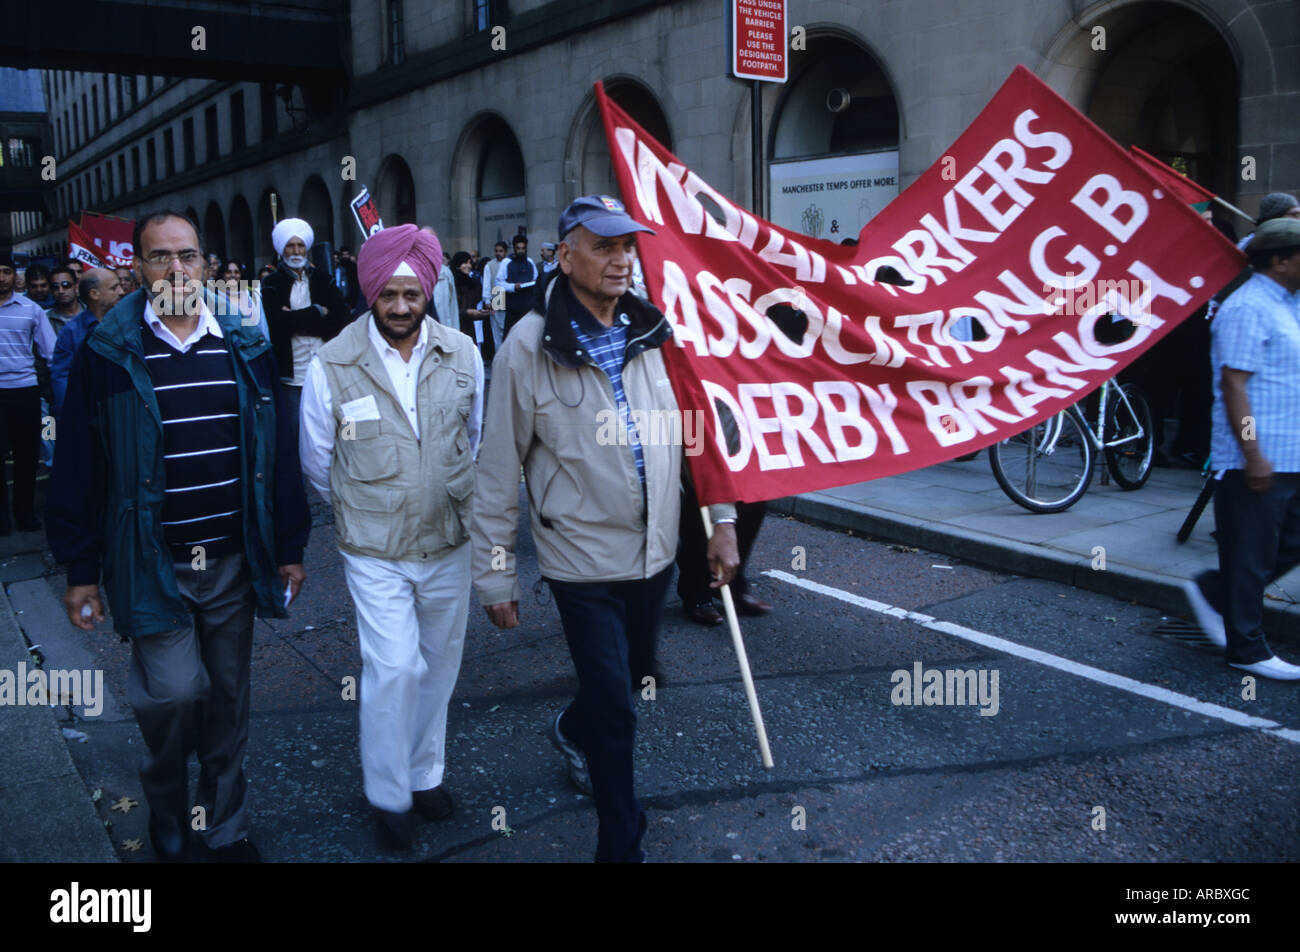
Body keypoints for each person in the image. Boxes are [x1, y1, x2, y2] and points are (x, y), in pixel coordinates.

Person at [471, 195, 740, 863]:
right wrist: (497, 573)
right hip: (578, 558)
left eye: (627, 247)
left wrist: (723, 522)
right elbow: (498, 471)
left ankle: (570, 724)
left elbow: (698, 437)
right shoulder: (526, 349)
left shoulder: (654, 330)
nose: (621, 260)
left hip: (653, 552)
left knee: (630, 678)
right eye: (604, 246)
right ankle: (621, 841)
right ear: (566, 256)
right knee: (618, 708)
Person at [47, 210, 310, 861]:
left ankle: (223, 827)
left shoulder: (245, 341)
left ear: (203, 259)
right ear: (137, 266)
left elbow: (276, 450)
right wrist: (80, 568)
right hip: (150, 563)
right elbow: (77, 464)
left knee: (226, 699)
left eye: (187, 255)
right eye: (159, 257)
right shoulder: (107, 352)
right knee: (171, 694)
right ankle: (167, 801)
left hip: (232, 560)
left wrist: (290, 546)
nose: (175, 269)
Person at [300, 224, 483, 850]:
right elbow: (317, 459)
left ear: (427, 290)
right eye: (389, 295)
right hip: (373, 549)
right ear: (370, 293)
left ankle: (424, 774)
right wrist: (369, 505)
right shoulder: (333, 362)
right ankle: (387, 791)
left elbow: (475, 437)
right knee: (394, 666)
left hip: (449, 539)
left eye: (413, 294)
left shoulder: (463, 352)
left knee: (438, 665)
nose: (401, 307)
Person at [1182, 218, 1300, 681]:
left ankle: (1215, 591)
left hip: (1293, 450)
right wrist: (1252, 453)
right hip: (1261, 454)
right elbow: (1234, 385)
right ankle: (1245, 649)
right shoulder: (1248, 307)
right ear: (1281, 259)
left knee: (1283, 546)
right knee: (1251, 555)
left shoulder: (1289, 304)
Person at [259, 218, 348, 444]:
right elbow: (277, 323)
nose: (296, 251)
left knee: (331, 429)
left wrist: (295, 318)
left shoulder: (323, 279)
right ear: (282, 249)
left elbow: (341, 319)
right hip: (292, 376)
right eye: (290, 245)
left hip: (324, 368)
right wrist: (318, 311)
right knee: (296, 434)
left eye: (300, 245)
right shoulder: (272, 284)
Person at [0, 253, 56, 534]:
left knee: (25, 455)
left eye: (6, 271)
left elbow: (51, 352)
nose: (1, 277)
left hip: (25, 389)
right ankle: (1, 518)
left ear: (14, 275)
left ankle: (24, 513)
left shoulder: (30, 309)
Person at [50, 267, 122, 417]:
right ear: (94, 294)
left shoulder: (128, 324)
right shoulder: (72, 332)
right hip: (88, 410)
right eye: (114, 288)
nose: (121, 292)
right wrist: (69, 414)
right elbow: (61, 376)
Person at [495, 234, 539, 340]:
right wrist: (513, 287)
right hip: (513, 307)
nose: (521, 251)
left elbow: (536, 279)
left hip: (528, 307)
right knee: (510, 337)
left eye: (523, 248)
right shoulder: (507, 262)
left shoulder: (530, 262)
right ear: (514, 248)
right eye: (518, 248)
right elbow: (498, 283)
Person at [479, 240, 508, 349]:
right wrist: (487, 300)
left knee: (507, 330)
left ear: (505, 252)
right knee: (496, 333)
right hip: (496, 298)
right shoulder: (489, 265)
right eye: (496, 251)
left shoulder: (510, 263)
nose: (498, 253)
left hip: (509, 300)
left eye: (501, 251)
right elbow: (486, 283)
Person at [45, 263, 82, 338]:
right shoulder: (46, 319)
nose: (61, 291)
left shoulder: (92, 313)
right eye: (55, 287)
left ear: (76, 287)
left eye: (66, 285)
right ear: (51, 291)